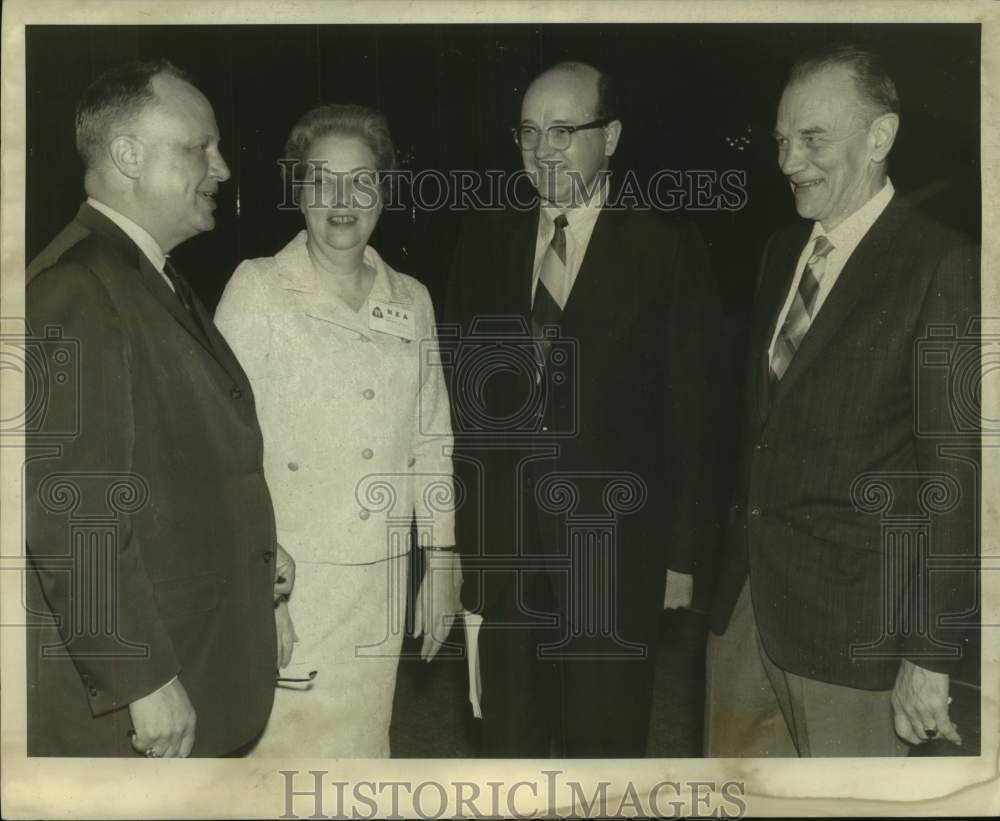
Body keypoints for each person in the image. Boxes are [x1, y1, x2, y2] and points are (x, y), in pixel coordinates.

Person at [706, 45, 980, 757]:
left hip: (859, 635)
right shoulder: (778, 254)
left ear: (880, 137)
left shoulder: (940, 263)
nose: (788, 161)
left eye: (812, 138)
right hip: (746, 613)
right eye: (781, 140)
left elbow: (958, 474)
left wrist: (932, 650)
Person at [444, 61, 721, 757]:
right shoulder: (485, 241)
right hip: (504, 555)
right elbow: (458, 407)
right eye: (530, 132)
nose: (545, 151)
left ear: (613, 135)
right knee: (506, 749)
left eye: (565, 130)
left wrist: (683, 556)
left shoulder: (666, 245)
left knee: (604, 748)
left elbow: (695, 411)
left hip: (614, 554)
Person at [25, 59, 294, 758]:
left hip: (197, 658)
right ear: (126, 156)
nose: (223, 167)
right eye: (198, 148)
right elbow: (69, 507)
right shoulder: (77, 286)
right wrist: (139, 678)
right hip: (140, 708)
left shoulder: (147, 274)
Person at [214, 103, 460, 758]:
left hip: (378, 582)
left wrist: (441, 561)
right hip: (292, 583)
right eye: (321, 180)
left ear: (385, 190)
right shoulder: (260, 288)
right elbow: (223, 455)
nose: (341, 200)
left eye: (361, 180)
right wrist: (261, 593)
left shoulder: (412, 298)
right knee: (281, 773)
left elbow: (432, 440)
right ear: (298, 189)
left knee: (362, 761)